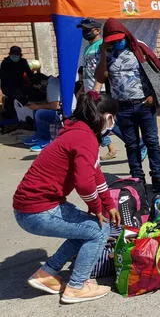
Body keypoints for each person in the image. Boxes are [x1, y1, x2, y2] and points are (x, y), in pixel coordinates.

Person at [13, 92, 121, 304]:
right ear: (106, 117)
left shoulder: (79, 132)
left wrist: (108, 205)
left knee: (88, 228)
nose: (114, 122)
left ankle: (48, 273)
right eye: (113, 117)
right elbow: (84, 183)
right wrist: (97, 208)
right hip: (38, 210)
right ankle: (77, 286)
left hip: (32, 207)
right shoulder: (85, 138)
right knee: (99, 230)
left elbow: (95, 173)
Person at [94, 18, 160, 193]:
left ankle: (157, 178)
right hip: (122, 108)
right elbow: (101, 77)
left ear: (125, 35)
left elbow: (157, 72)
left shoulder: (138, 49)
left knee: (152, 142)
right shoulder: (106, 54)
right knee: (131, 145)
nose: (117, 43)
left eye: (119, 40)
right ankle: (137, 179)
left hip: (144, 105)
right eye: (113, 41)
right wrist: (103, 53)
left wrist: (153, 97)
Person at [78, 18, 146, 161]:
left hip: (100, 90)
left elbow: (105, 69)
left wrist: (96, 89)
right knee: (98, 123)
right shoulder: (87, 48)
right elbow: (87, 71)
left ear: (97, 30)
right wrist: (83, 89)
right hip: (90, 90)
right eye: (83, 30)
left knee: (107, 123)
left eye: (88, 30)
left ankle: (139, 144)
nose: (85, 32)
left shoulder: (102, 46)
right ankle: (107, 149)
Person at [22, 75, 77, 152]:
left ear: (42, 82)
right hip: (66, 110)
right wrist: (37, 104)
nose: (40, 89)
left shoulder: (51, 85)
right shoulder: (53, 82)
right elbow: (53, 102)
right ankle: (39, 135)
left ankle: (46, 139)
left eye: (38, 87)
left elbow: (55, 106)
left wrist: (37, 106)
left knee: (40, 113)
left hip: (66, 113)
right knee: (38, 110)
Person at [0, 46, 32, 120]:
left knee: (23, 96)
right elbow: (3, 77)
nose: (15, 56)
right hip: (8, 85)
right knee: (11, 97)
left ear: (19, 55)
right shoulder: (5, 62)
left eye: (16, 55)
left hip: (20, 84)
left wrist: (33, 82)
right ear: (10, 54)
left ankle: (24, 114)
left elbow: (29, 73)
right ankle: (9, 114)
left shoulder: (23, 61)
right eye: (13, 54)